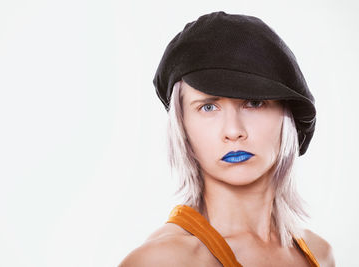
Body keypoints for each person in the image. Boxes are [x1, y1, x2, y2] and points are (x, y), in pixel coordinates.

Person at [119, 11, 335, 266]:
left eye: (254, 103)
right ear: (182, 126)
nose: (233, 131)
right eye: (208, 107)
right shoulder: (163, 260)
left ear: (288, 116)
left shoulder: (319, 254)